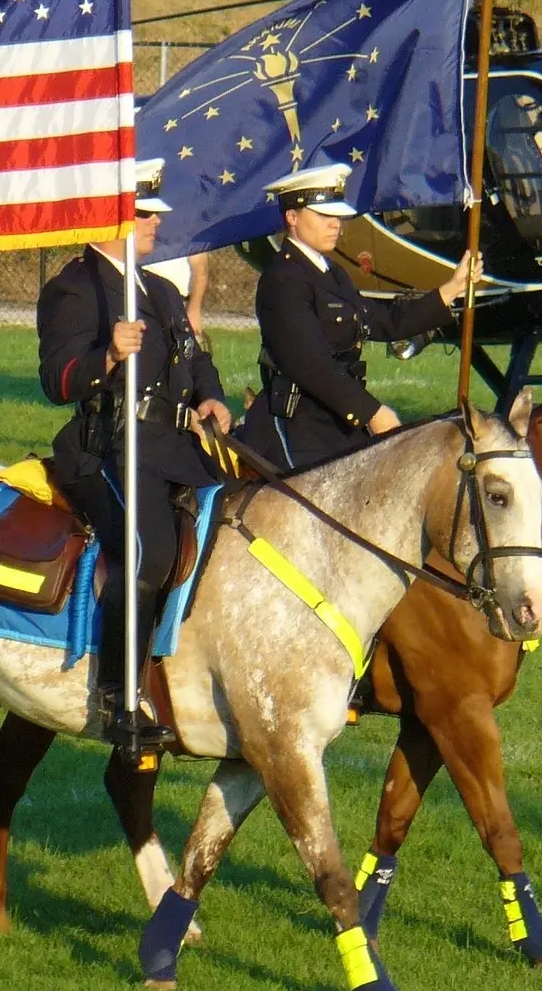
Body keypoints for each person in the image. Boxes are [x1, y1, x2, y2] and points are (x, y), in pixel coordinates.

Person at [37, 159, 232, 750]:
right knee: (145, 552)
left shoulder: (163, 290)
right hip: (106, 448)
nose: (155, 225)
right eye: (145, 214)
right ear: (115, 217)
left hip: (173, 447)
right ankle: (119, 696)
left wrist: (212, 396)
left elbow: (193, 356)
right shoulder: (73, 287)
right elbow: (55, 378)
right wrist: (106, 358)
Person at [239, 163, 478, 472]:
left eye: (337, 216)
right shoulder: (283, 279)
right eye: (324, 215)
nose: (335, 224)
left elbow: (381, 320)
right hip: (299, 426)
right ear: (292, 217)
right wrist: (371, 413)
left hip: (338, 419)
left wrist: (450, 289)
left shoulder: (331, 273)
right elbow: (310, 364)